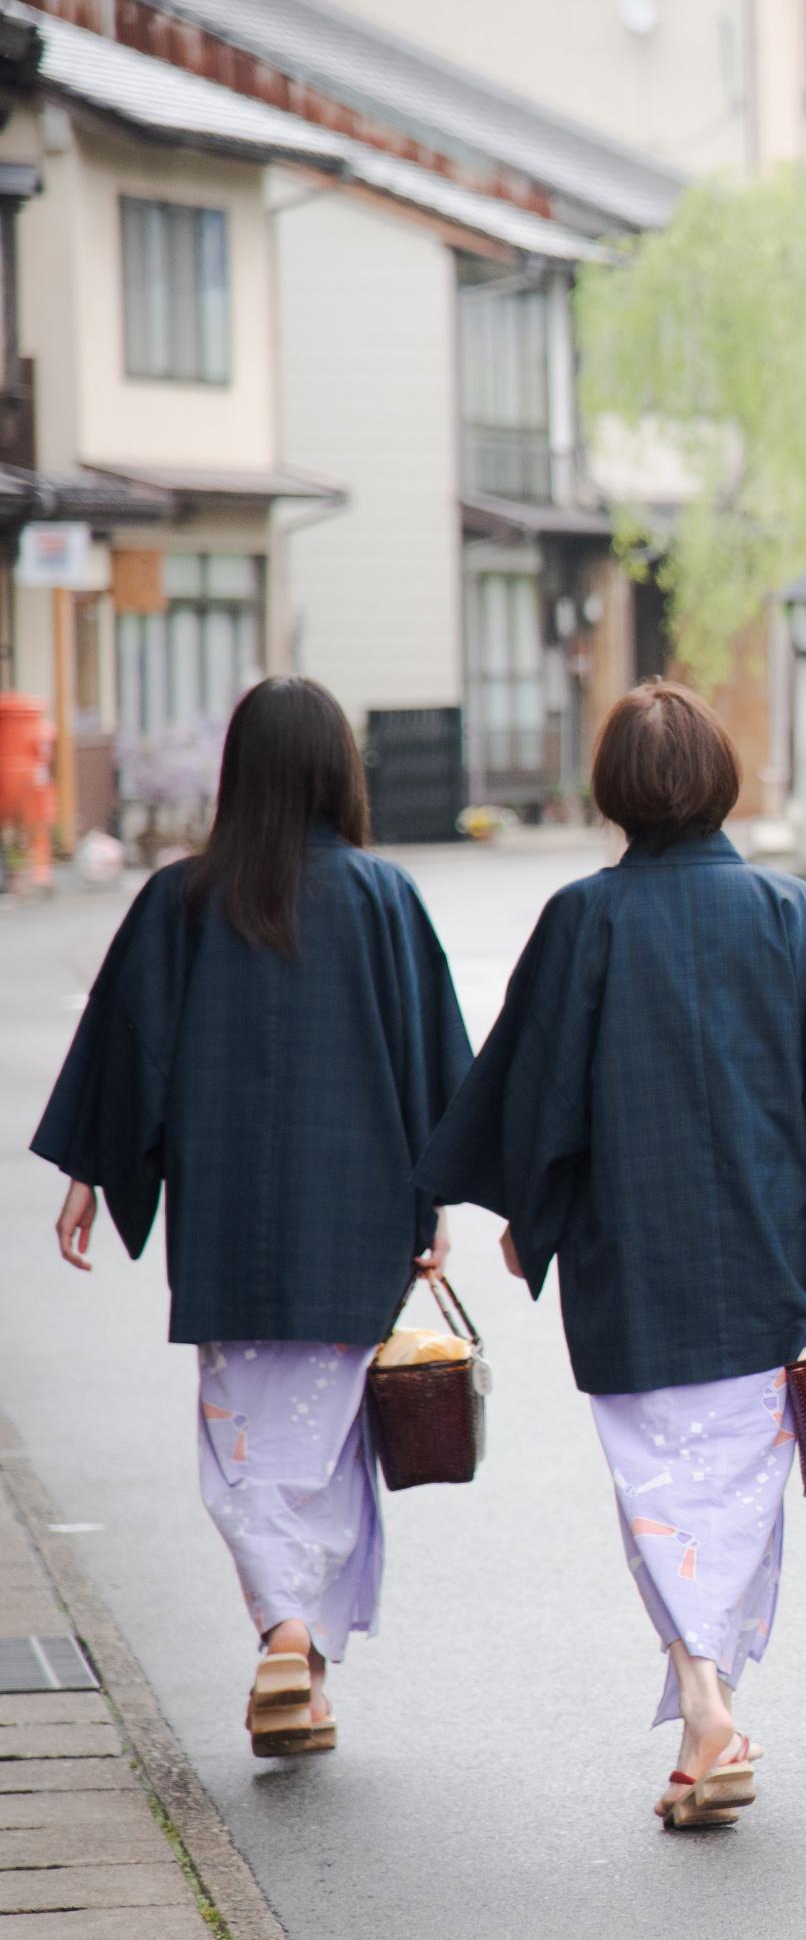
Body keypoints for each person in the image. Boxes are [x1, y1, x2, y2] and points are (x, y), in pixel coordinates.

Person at [417, 682, 806, 1828]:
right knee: (734, 1489)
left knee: (658, 1490)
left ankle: (704, 1704)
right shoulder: (789, 914)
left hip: (629, 1253)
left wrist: (530, 1209)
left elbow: (538, 1095)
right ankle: (710, 1708)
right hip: (768, 1246)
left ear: (616, 789)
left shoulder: (584, 918)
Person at [32, 677, 471, 1760]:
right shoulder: (384, 900)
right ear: (338, 771)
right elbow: (434, 1070)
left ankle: (294, 1660)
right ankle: (293, 1639)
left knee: (246, 1445)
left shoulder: (182, 901)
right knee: (322, 1448)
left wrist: (90, 1170)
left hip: (228, 1230)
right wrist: (432, 1199)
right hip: (355, 1223)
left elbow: (126, 1061)